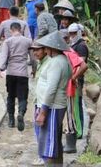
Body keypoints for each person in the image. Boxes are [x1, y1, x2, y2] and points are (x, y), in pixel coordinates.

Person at [33, 31, 72, 165]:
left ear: (52, 48)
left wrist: (43, 112)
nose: (45, 49)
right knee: (52, 140)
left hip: (52, 106)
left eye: (46, 47)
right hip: (53, 105)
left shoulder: (56, 62)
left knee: (49, 143)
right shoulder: (60, 60)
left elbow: (51, 88)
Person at [0, 22, 33, 131]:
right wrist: (34, 69)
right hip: (22, 73)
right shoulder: (28, 41)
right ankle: (21, 113)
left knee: (11, 96)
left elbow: (4, 57)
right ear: (21, 29)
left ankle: (11, 120)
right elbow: (33, 58)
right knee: (23, 97)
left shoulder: (7, 42)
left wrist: (0, 68)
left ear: (11, 30)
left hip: (11, 72)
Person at [58, 29, 87, 153]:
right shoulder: (62, 52)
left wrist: (73, 77)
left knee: (70, 116)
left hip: (69, 88)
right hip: (62, 89)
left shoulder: (69, 52)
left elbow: (84, 65)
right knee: (66, 116)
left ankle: (71, 144)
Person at [68, 23, 89, 140]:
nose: (72, 35)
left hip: (77, 80)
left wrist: (74, 77)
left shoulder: (81, 46)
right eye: (70, 33)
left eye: (74, 33)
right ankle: (75, 128)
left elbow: (82, 64)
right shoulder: (74, 44)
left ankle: (79, 131)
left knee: (77, 105)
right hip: (74, 79)